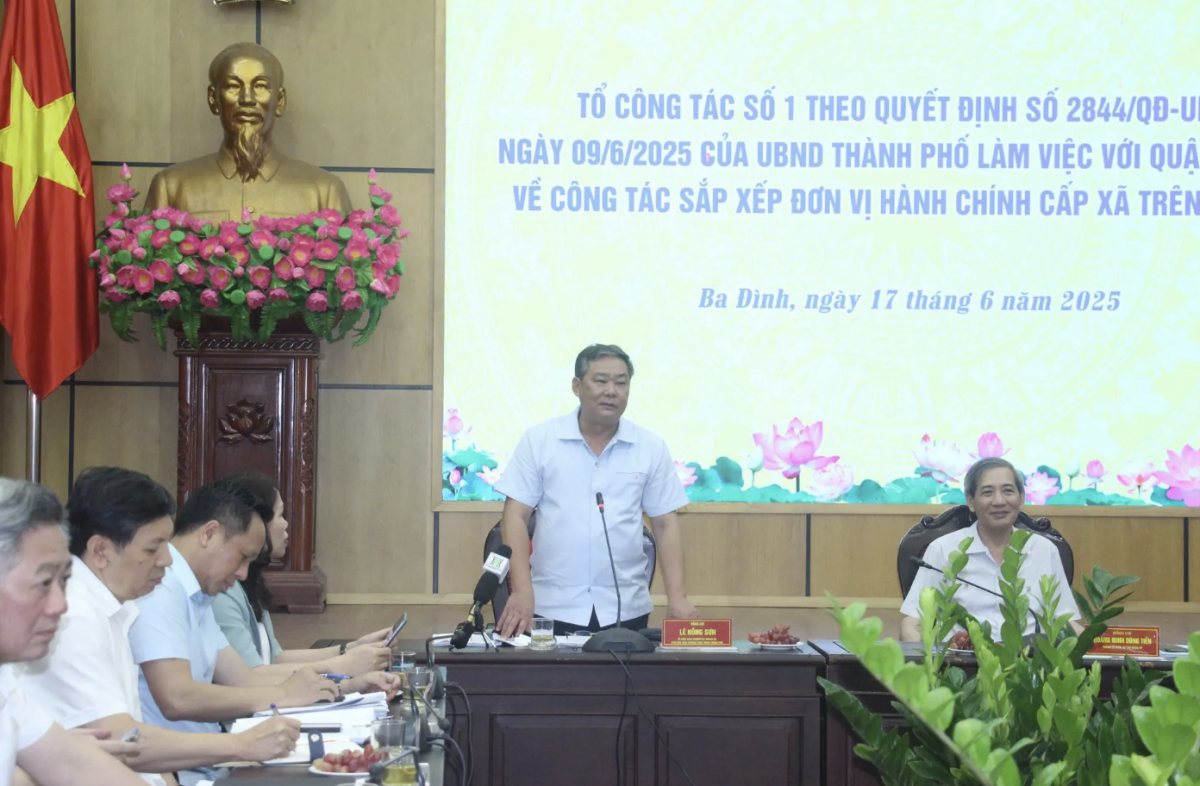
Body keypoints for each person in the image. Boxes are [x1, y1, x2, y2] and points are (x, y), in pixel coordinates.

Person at [18, 468, 302, 786]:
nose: (167, 560)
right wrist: (241, 744)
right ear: (100, 551)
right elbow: (125, 738)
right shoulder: (75, 616)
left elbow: (133, 740)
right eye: (153, 548)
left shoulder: (116, 608)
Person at [495, 344, 697, 639]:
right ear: (577, 386)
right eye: (601, 381)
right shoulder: (540, 441)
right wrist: (522, 592)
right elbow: (514, 517)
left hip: (625, 608)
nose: (611, 391)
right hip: (550, 605)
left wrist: (678, 598)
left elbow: (666, 524)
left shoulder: (650, 447)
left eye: (621, 383)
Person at [0, 478, 148, 786]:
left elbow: (72, 763)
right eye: (44, 583)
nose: (60, 605)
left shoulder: (4, 681)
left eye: (64, 581)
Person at [144, 42, 352, 222]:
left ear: (280, 101)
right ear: (213, 99)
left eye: (260, 86)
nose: (247, 99)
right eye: (232, 86)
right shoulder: (172, 187)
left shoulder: (324, 192)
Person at [212, 471, 392, 675]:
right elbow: (252, 675)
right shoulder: (224, 590)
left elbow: (275, 658)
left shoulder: (251, 583)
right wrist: (344, 665)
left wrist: (350, 649)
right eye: (280, 515)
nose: (286, 524)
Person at [899, 458, 1081, 642]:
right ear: (971, 501)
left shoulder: (1044, 550)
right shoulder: (943, 549)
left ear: (1021, 498)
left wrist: (1094, 644)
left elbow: (1066, 621)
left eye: (1008, 491)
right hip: (961, 656)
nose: (999, 501)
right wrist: (928, 655)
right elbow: (911, 622)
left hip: (1029, 656)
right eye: (987, 492)